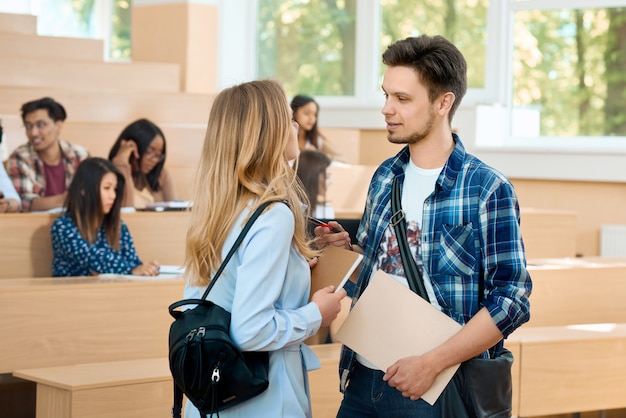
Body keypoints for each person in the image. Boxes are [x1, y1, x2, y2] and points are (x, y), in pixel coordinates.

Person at [315, 35, 532, 417]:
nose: (386, 109)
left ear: (443, 102)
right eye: (386, 95)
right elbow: (375, 279)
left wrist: (431, 363)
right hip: (363, 381)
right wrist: (342, 253)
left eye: (402, 99)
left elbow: (510, 300)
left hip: (437, 388)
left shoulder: (486, 187)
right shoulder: (385, 177)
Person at [182, 79, 346, 418]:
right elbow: (252, 329)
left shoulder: (218, 206)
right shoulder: (273, 215)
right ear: (267, 133)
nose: (297, 126)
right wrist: (318, 314)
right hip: (262, 398)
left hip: (214, 396)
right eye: (288, 119)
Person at [50, 157, 160, 277]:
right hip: (72, 293)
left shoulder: (118, 226)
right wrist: (132, 269)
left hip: (112, 292)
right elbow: (94, 259)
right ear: (83, 189)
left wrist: (148, 269)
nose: (113, 195)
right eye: (107, 188)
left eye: (115, 189)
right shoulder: (63, 226)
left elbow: (133, 263)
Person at [7, 97, 90, 212]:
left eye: (41, 125)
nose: (33, 133)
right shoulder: (20, 157)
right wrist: (66, 199)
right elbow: (23, 202)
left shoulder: (80, 154)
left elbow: (91, 195)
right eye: (28, 126)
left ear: (58, 125)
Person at [108, 118, 176, 209]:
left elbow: (176, 213)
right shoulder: (111, 175)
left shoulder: (162, 174)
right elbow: (125, 213)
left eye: (158, 155)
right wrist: (122, 162)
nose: (154, 160)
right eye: (149, 152)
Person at [290, 94, 343, 160]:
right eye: (307, 113)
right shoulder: (285, 139)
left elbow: (342, 159)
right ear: (293, 112)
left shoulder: (317, 140)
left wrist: (317, 155)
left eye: (315, 115)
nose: (312, 118)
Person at [296, 149, 334, 219]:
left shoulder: (326, 210)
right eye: (327, 177)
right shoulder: (293, 209)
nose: (331, 182)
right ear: (312, 176)